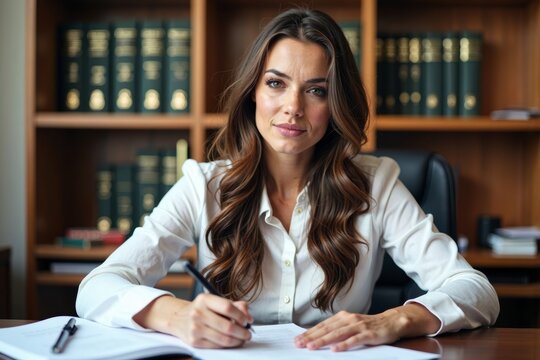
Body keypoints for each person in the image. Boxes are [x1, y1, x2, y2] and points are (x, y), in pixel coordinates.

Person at [76, 8, 499, 352]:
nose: (293, 107)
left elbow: (475, 290)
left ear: (335, 104)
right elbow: (96, 289)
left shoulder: (377, 184)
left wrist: (395, 320)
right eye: (276, 83)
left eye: (316, 90)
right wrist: (176, 315)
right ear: (253, 93)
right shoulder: (203, 186)